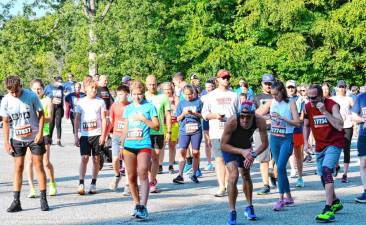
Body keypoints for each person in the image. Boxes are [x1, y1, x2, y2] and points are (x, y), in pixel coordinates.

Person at [1, 75, 49, 212]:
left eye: (16, 91)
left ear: (21, 86)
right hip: (17, 138)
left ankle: (43, 199)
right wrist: (6, 142)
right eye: (11, 92)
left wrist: (40, 133)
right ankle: (16, 202)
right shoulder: (6, 100)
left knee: (38, 166)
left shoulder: (31, 96)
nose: (15, 94)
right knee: (18, 168)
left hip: (34, 137)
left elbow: (41, 115)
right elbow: (5, 122)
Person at [221, 101, 268, 224]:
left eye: (248, 117)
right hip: (230, 148)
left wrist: (253, 154)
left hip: (246, 148)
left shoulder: (260, 121)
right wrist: (241, 151)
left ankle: (249, 206)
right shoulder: (232, 121)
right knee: (233, 176)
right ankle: (232, 211)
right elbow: (223, 145)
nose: (245, 119)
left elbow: (264, 143)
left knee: (246, 175)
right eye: (242, 116)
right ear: (238, 114)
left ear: (253, 115)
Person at [257, 80, 301, 211]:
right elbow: (258, 113)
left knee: (280, 167)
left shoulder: (290, 103)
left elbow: (297, 123)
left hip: (287, 138)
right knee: (280, 169)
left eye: (276, 94)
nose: (274, 96)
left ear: (282, 91)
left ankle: (281, 199)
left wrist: (283, 118)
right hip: (274, 138)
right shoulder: (271, 102)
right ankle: (289, 197)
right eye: (272, 94)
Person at [303, 84, 344, 222]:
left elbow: (339, 125)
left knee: (327, 170)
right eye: (309, 97)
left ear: (322, 96)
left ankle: (328, 208)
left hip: (334, 143)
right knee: (322, 176)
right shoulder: (308, 106)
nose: (311, 100)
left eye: (314, 98)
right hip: (320, 145)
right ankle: (335, 201)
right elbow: (307, 125)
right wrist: (305, 142)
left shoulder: (333, 105)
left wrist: (325, 112)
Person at [120, 80, 159, 220]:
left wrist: (143, 119)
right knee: (130, 176)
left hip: (144, 144)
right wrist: (121, 145)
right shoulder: (128, 108)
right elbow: (125, 128)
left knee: (142, 172)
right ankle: (136, 204)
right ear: (131, 94)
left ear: (144, 93)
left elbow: (156, 126)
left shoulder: (149, 107)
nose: (137, 96)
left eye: (140, 94)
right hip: (129, 146)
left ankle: (143, 206)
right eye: (134, 94)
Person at [202, 69, 240, 197]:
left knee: (230, 160)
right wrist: (215, 115)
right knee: (219, 159)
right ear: (217, 80)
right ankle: (221, 187)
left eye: (228, 77)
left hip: (231, 132)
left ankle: (230, 185)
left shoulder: (234, 95)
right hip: (216, 132)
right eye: (223, 78)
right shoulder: (211, 95)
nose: (226, 80)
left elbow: (239, 114)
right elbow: (204, 113)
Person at [74, 80, 107, 195]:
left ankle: (93, 183)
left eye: (95, 88)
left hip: (97, 134)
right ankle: (81, 183)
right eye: (91, 87)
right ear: (86, 89)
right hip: (85, 135)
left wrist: (103, 135)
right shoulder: (80, 102)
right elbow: (77, 119)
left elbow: (103, 119)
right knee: (84, 158)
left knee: (96, 159)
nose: (94, 90)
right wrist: (76, 135)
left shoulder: (101, 102)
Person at [27, 79, 57, 198]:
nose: (37, 91)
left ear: (43, 89)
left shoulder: (47, 100)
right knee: (29, 162)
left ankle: (52, 183)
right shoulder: (28, 100)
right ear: (31, 89)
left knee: (45, 162)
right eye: (34, 89)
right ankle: (32, 188)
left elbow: (50, 118)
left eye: (39, 88)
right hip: (30, 134)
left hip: (44, 133)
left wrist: (38, 119)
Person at [145, 75, 171, 192]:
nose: (152, 86)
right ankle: (152, 178)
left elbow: (168, 115)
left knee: (155, 157)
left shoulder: (163, 97)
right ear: (146, 84)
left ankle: (152, 181)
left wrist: (169, 131)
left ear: (157, 84)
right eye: (150, 84)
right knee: (147, 158)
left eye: (154, 84)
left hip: (158, 131)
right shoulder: (143, 96)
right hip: (145, 131)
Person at [173, 85, 203, 184]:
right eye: (186, 94)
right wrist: (183, 114)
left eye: (190, 94)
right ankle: (180, 175)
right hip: (184, 131)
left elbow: (203, 115)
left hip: (196, 131)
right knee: (182, 152)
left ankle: (194, 174)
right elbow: (177, 119)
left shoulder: (198, 102)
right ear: (183, 94)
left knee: (195, 153)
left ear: (193, 93)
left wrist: (194, 114)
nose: (188, 96)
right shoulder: (181, 103)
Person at [253, 74, 277, 195]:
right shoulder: (256, 97)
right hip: (261, 131)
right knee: (263, 159)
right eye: (266, 83)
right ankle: (265, 184)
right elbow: (254, 114)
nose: (268, 86)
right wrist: (266, 106)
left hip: (277, 130)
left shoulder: (278, 96)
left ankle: (274, 173)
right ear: (262, 84)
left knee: (277, 158)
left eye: (270, 83)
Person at [107, 85, 130, 191]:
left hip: (128, 137)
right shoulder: (114, 106)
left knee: (127, 161)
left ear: (127, 94)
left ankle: (127, 185)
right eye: (118, 94)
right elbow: (111, 122)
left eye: (122, 94)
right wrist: (106, 134)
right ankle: (117, 175)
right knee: (115, 159)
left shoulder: (131, 106)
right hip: (116, 136)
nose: (120, 96)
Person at [331, 80, 354, 183]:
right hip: (336, 126)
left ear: (346, 88)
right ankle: (336, 165)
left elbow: (355, 110)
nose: (341, 89)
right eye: (340, 87)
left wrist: (353, 118)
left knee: (346, 149)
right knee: (335, 148)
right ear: (337, 88)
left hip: (347, 125)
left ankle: (345, 174)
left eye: (343, 87)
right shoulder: (333, 99)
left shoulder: (349, 99)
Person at [286, 80, 306, 187]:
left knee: (298, 155)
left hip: (297, 131)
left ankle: (300, 177)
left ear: (296, 88)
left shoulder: (300, 99)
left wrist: (291, 120)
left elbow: (302, 117)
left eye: (292, 87)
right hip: (286, 132)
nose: (290, 89)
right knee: (285, 154)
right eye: (288, 87)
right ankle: (282, 176)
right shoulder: (283, 100)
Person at [161, 82, 179, 173]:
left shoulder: (176, 98)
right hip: (163, 124)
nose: (167, 91)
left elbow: (178, 109)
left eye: (169, 89)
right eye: (165, 89)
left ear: (172, 89)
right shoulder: (161, 98)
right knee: (162, 145)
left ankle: (171, 165)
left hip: (174, 123)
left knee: (172, 145)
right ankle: (160, 164)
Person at [351, 90, 366, 203]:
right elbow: (353, 116)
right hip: (363, 134)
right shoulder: (361, 97)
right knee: (364, 163)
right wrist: (363, 119)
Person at [44, 76, 65, 147]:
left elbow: (62, 97)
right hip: (51, 106)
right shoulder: (48, 87)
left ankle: (59, 140)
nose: (60, 84)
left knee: (58, 123)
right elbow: (44, 95)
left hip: (59, 107)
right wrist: (51, 99)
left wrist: (62, 109)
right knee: (51, 123)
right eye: (59, 82)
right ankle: (49, 139)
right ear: (55, 81)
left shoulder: (61, 88)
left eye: (61, 82)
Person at [201, 79, 216, 171]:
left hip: (216, 120)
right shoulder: (203, 97)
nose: (208, 89)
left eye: (209, 87)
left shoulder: (217, 95)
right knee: (207, 142)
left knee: (216, 142)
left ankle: (219, 160)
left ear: (214, 86)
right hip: (207, 120)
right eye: (206, 87)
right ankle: (209, 162)